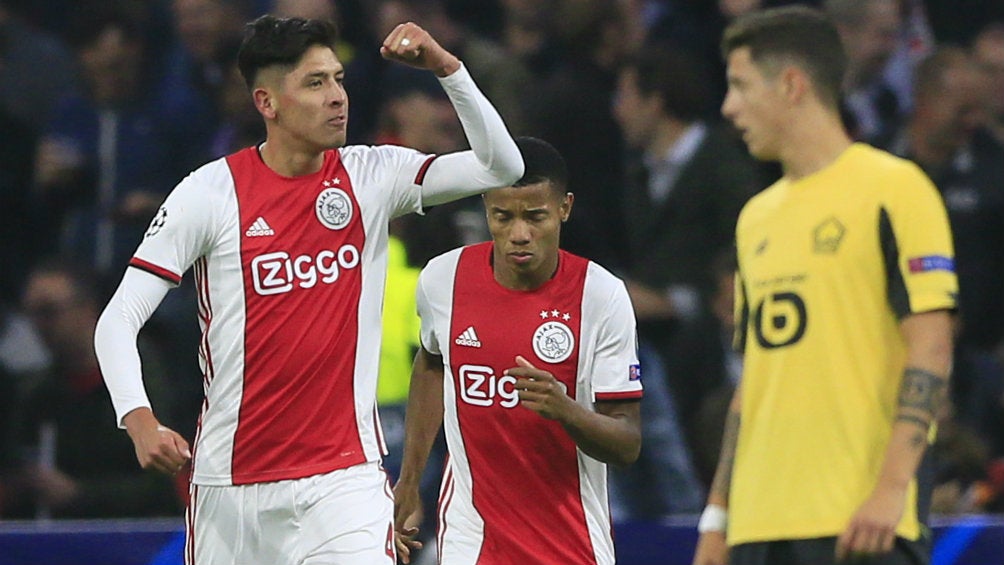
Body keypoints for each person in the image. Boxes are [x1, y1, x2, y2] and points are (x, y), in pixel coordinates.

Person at [93, 15, 523, 565]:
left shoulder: (372, 176)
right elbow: (118, 319)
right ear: (267, 103)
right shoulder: (209, 194)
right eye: (315, 84)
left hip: (345, 481)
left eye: (339, 79)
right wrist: (140, 420)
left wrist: (445, 68)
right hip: (232, 487)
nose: (336, 97)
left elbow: (500, 165)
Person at [693, 6, 957, 565]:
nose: (728, 106)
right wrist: (717, 518)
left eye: (739, 85)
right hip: (758, 527)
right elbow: (753, 381)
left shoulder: (896, 189)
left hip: (859, 522)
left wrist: (892, 488)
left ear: (791, 85)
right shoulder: (756, 218)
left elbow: (932, 345)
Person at [392, 137, 642, 565]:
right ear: (486, 207)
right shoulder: (443, 280)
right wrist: (409, 481)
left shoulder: (601, 296)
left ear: (564, 208)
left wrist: (565, 409)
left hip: (571, 539)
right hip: (472, 538)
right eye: (502, 217)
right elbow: (432, 364)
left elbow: (627, 443)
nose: (519, 234)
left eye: (535, 216)